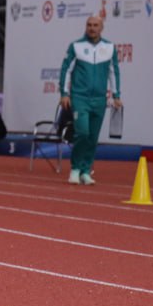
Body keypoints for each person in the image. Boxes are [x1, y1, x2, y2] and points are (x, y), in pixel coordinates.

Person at [59, 14, 122, 185]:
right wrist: (64, 94)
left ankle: (86, 171)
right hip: (79, 98)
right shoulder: (76, 46)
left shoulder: (109, 48)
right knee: (83, 133)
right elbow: (66, 70)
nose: (92, 28)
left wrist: (116, 95)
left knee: (93, 137)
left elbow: (113, 72)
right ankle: (75, 169)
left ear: (101, 28)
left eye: (95, 25)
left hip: (99, 100)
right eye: (89, 25)